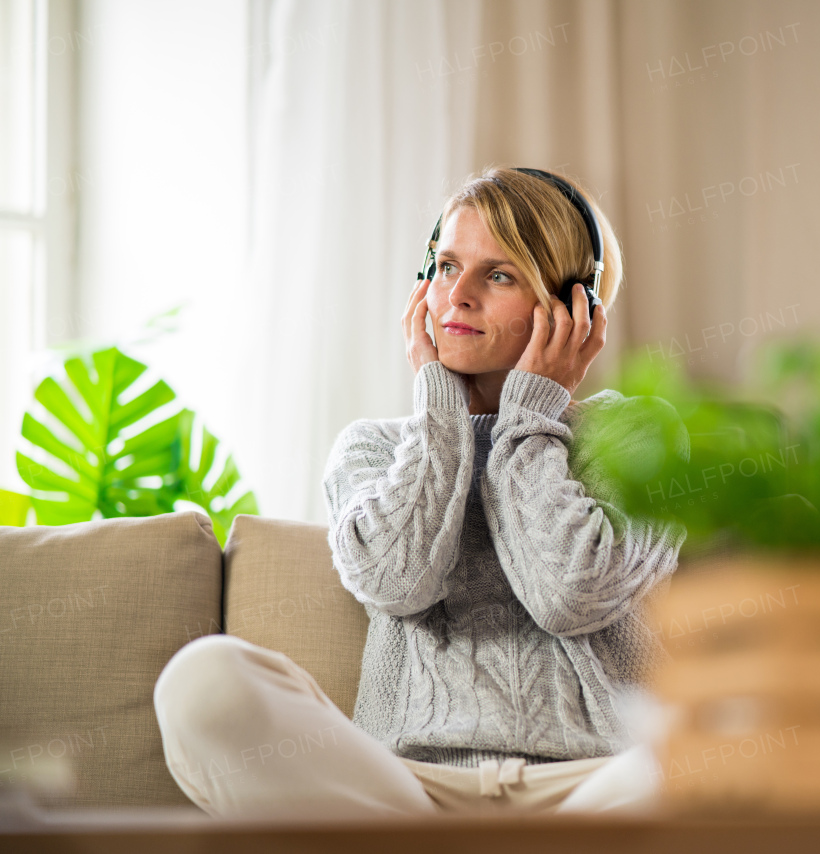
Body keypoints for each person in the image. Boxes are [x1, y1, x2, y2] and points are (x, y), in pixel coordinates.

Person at [153, 166, 688, 820]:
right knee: (203, 680)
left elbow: (568, 595)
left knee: (745, 736)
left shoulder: (636, 436)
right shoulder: (372, 448)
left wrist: (531, 414)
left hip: (597, 784)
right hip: (406, 793)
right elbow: (396, 580)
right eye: (444, 266)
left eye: (498, 275)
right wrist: (440, 410)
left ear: (575, 308)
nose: (455, 296)